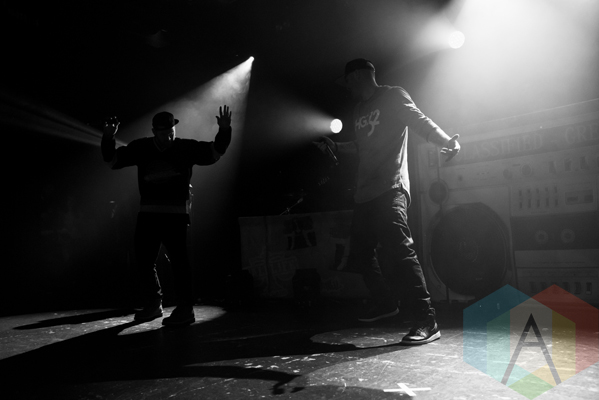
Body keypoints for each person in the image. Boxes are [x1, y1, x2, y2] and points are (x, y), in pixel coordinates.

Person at [314, 59, 460, 345]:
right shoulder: (359, 110)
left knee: (400, 253)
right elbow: (361, 146)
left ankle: (426, 320)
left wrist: (446, 141)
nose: (347, 88)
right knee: (360, 254)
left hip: (391, 187)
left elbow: (418, 120)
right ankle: (385, 303)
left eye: (348, 81)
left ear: (359, 76)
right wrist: (336, 147)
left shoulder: (392, 95)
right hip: (365, 194)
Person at [101, 106, 232, 326]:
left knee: (180, 263)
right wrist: (108, 137)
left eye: (171, 132)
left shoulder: (185, 147)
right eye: (163, 133)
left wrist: (225, 130)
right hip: (149, 215)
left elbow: (215, 152)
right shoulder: (142, 147)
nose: (168, 137)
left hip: (176, 216)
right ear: (154, 131)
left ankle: (185, 308)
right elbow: (112, 161)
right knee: (144, 261)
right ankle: (154, 303)